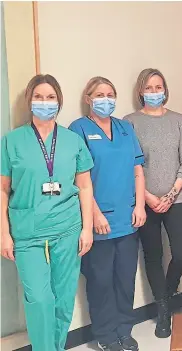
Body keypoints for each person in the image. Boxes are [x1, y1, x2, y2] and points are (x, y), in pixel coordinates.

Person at [0, 74, 94, 351]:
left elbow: (85, 186)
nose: (44, 102)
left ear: (59, 102)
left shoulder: (72, 140)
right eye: (38, 97)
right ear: (29, 101)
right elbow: (3, 190)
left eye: (50, 97)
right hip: (28, 234)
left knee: (64, 300)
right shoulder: (11, 141)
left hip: (67, 230)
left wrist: (87, 228)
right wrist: (4, 234)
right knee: (40, 300)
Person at [69, 77, 146, 351]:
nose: (106, 99)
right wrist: (94, 215)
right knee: (100, 281)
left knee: (125, 279)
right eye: (99, 94)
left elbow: (138, 169)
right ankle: (105, 334)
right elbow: (81, 177)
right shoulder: (78, 129)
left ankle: (125, 330)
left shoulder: (126, 128)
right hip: (98, 221)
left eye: (110, 93)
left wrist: (139, 206)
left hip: (128, 218)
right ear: (88, 99)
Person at [123, 68, 182, 339]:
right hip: (145, 200)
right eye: (149, 88)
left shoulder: (178, 120)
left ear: (166, 89)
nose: (155, 92)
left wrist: (171, 194)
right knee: (153, 256)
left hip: (176, 198)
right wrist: (149, 198)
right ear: (141, 91)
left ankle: (168, 289)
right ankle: (163, 311)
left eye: (159, 87)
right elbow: (128, 163)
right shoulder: (129, 122)